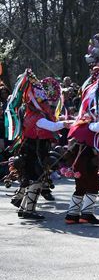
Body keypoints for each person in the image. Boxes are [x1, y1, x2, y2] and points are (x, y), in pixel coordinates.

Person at [4, 71, 61, 221]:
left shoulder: (30, 112)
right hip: (34, 149)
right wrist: (67, 123)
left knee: (31, 178)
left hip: (33, 148)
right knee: (35, 179)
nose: (47, 104)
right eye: (44, 101)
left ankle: (23, 206)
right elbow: (52, 127)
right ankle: (28, 210)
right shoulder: (35, 116)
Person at [63, 67, 99, 225]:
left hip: (88, 156)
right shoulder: (86, 119)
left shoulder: (90, 117)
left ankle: (73, 215)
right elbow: (95, 127)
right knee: (91, 184)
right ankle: (84, 214)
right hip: (82, 156)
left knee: (83, 186)